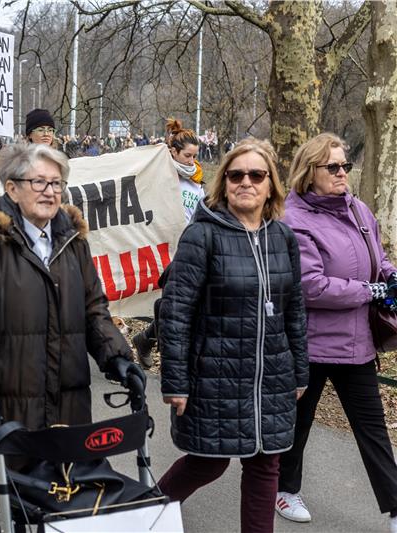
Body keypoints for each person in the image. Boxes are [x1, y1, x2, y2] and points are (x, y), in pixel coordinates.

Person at [0, 142, 142, 533]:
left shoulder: (71, 241)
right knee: (10, 491)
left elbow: (94, 309)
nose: (50, 192)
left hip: (66, 401)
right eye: (39, 182)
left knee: (59, 495)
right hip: (3, 398)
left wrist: (117, 357)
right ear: (11, 189)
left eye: (57, 184)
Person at [156, 138, 309, 533]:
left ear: (271, 184)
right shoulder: (202, 236)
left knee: (266, 463)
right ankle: (143, 512)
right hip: (214, 376)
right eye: (236, 175)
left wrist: (300, 370)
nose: (246, 182)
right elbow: (176, 313)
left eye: (256, 175)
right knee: (208, 460)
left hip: (271, 376)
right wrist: (176, 382)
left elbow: (294, 309)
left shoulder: (284, 238)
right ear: (223, 183)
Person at [276, 133, 397, 529]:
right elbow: (311, 285)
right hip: (308, 345)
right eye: (333, 167)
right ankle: (285, 490)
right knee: (298, 423)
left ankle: (396, 508)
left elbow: (377, 259)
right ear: (310, 172)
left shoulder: (359, 210)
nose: (343, 172)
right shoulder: (294, 219)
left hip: (356, 343)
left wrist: (392, 279)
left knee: (373, 431)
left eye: (345, 164)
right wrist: (371, 290)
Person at [132, 118, 205, 368]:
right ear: (173, 152)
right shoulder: (157, 174)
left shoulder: (196, 181)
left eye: (195, 156)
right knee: (174, 303)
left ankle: (148, 339)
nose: (192, 161)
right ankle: (162, 348)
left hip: (186, 250)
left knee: (179, 303)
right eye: (187, 155)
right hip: (159, 246)